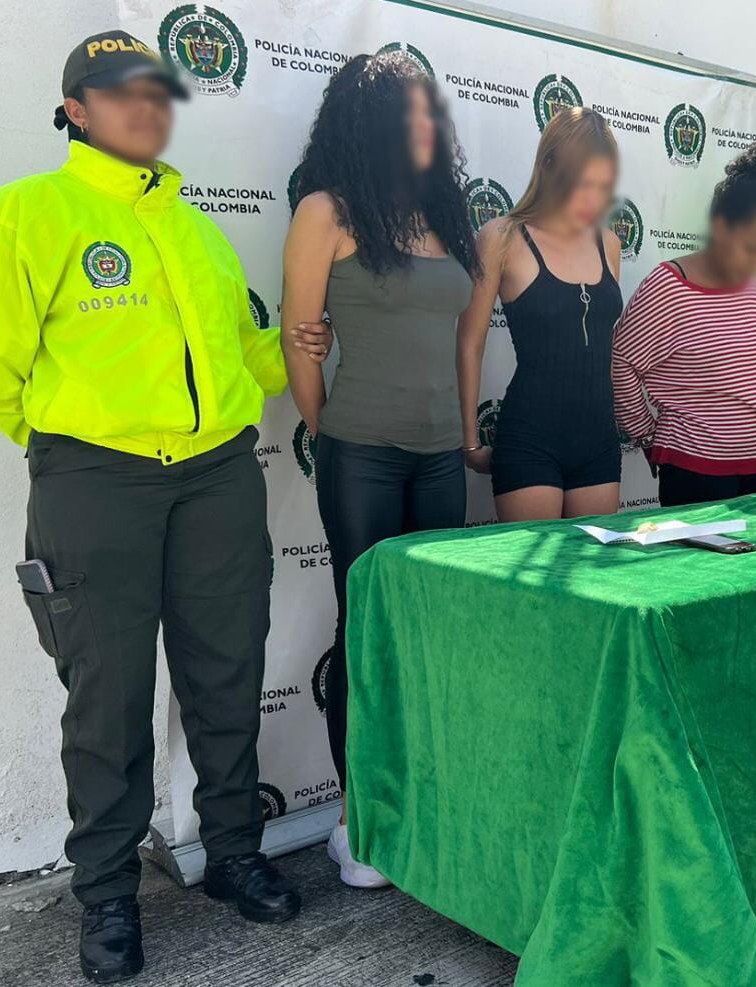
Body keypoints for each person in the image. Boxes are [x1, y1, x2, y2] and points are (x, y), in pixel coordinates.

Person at [0, 31, 304, 984]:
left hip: (219, 473)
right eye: (117, 92)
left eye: (156, 90)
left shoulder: (197, 228)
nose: (144, 106)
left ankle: (232, 852)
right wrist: (72, 441)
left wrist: (307, 347)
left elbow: (248, 348)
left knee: (227, 671)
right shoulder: (25, 213)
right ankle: (106, 894)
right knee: (106, 696)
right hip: (96, 482)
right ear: (75, 109)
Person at [281, 52, 478, 889]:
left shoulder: (447, 213)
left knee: (426, 634)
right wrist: (336, 433)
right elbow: (299, 335)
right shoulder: (328, 210)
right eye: (411, 113)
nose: (427, 126)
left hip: (440, 457)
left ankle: (422, 807)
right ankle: (359, 822)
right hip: (360, 452)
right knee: (364, 634)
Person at [458, 107, 624, 521]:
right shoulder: (501, 236)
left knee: (593, 580)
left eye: (603, 185)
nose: (592, 197)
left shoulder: (609, 243)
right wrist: (469, 440)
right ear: (549, 166)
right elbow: (469, 341)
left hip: (599, 439)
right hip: (530, 436)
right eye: (582, 182)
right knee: (533, 585)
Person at [613, 143, 756, 508]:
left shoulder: (752, 286)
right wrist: (648, 435)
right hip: (696, 474)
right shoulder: (668, 287)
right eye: (751, 247)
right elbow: (621, 363)